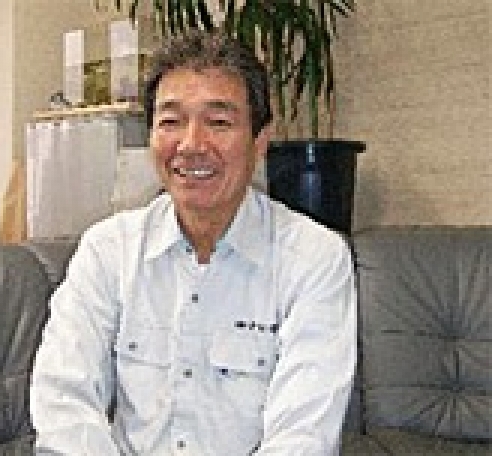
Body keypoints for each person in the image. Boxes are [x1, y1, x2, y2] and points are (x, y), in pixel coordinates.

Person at [30, 29, 356, 456]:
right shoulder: (108, 251)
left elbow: (303, 435)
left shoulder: (314, 258)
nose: (191, 145)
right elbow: (63, 400)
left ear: (260, 141)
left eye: (218, 123)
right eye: (171, 121)